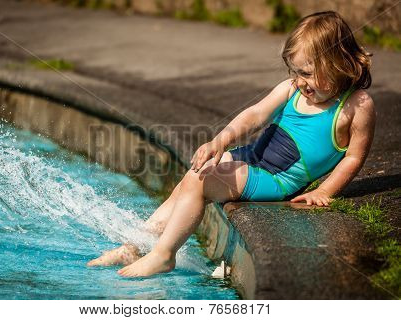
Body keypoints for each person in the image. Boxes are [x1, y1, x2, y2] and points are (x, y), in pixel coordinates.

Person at [87, 11, 375, 277]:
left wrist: (325, 190)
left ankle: (164, 255)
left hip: (275, 179)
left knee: (202, 181)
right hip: (250, 158)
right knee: (192, 176)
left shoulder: (356, 106)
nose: (299, 81)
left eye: (307, 73)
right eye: (295, 72)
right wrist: (220, 141)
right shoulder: (290, 90)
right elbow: (254, 115)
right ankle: (135, 246)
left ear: (338, 63)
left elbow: (353, 158)